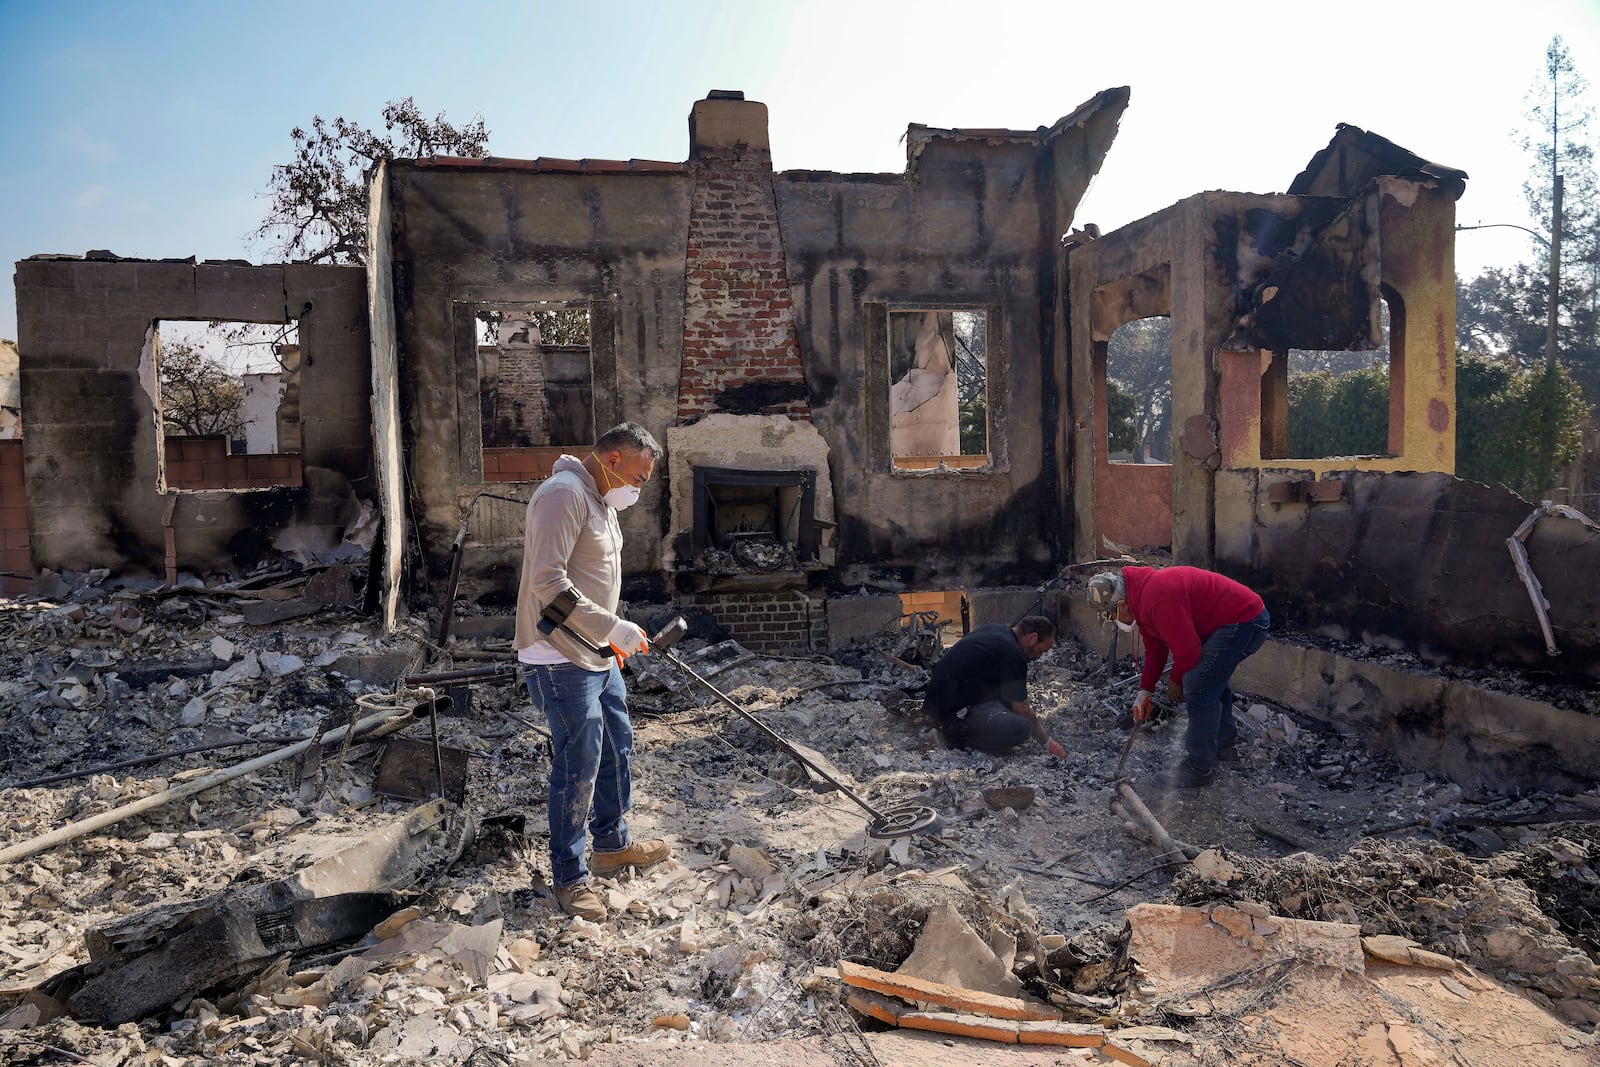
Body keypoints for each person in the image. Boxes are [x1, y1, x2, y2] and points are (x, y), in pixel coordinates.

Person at [515, 422, 671, 921]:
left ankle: (610, 845)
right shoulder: (563, 495)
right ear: (613, 460)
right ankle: (569, 876)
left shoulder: (599, 499)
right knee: (578, 762)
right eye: (639, 477)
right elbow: (546, 581)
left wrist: (611, 636)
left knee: (616, 743)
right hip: (559, 656)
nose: (639, 488)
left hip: (594, 651)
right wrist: (612, 625)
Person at [1087, 566, 1270, 789]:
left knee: (1198, 683)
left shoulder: (1156, 598)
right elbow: (1156, 649)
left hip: (1245, 621)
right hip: (1235, 620)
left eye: (1112, 615)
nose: (1115, 621)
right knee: (1211, 679)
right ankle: (1223, 749)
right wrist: (1145, 692)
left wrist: (1176, 680)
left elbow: (1188, 652)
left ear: (1121, 603)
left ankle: (1199, 767)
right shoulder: (1141, 597)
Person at [920, 616, 1068, 758]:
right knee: (1023, 728)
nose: (1039, 656)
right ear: (1032, 638)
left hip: (940, 702)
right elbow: (1020, 707)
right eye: (1041, 650)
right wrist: (1047, 742)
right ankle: (954, 738)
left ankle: (954, 727)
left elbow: (1008, 695)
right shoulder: (1013, 653)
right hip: (951, 714)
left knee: (1008, 707)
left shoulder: (996, 631)